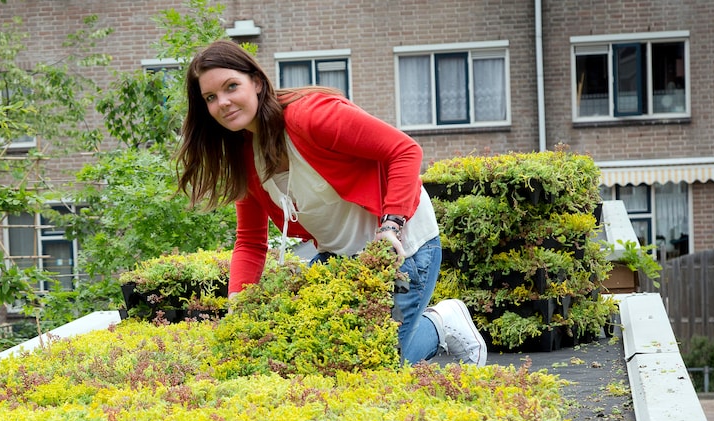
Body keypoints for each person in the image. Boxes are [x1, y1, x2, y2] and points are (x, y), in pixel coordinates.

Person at [175, 40, 487, 366]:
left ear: (256, 81)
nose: (223, 102)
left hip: (402, 249)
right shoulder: (245, 157)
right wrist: (238, 306)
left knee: (375, 362)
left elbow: (405, 151)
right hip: (338, 259)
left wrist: (391, 224)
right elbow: (251, 242)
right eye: (211, 98)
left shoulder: (311, 116)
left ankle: (441, 323)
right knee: (311, 352)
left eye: (231, 86)